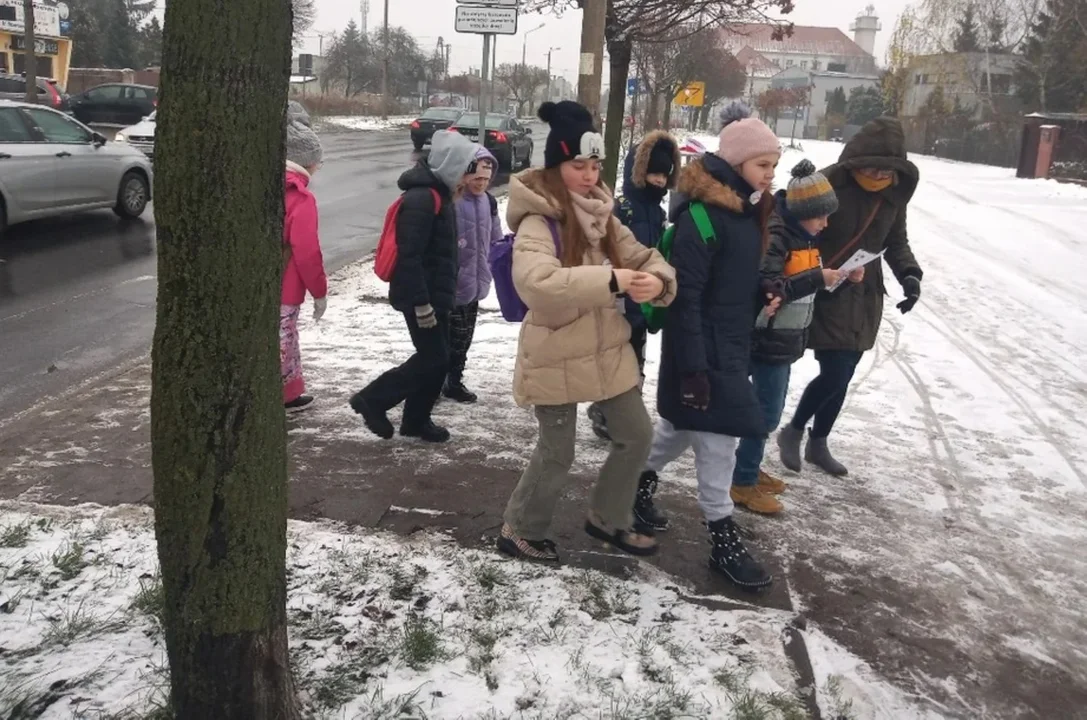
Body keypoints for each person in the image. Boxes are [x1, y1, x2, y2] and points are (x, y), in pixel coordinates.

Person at [497, 101, 677, 564]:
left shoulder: (603, 216)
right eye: (578, 165)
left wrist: (657, 280)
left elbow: (644, 257)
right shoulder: (539, 221)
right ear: (556, 166)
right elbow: (537, 283)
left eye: (595, 165)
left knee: (637, 436)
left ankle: (607, 516)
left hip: (606, 350)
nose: (589, 174)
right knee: (558, 453)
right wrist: (612, 281)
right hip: (555, 351)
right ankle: (520, 529)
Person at [640, 102, 781, 590]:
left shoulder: (744, 211)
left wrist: (763, 286)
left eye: (773, 166)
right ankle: (723, 539)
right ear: (738, 162)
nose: (770, 175)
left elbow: (733, 279)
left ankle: (632, 486)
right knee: (719, 445)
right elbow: (687, 302)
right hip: (702, 355)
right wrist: (695, 370)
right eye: (764, 164)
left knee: (676, 432)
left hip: (728, 348)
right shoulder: (703, 216)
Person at [778, 117, 923, 477]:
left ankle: (818, 441)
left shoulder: (894, 194)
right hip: (827, 285)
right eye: (873, 167)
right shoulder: (828, 185)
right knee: (836, 371)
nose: (879, 176)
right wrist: (814, 271)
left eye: (888, 170)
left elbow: (896, 241)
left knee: (846, 371)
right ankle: (793, 430)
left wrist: (910, 275)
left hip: (866, 289)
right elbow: (794, 229)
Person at [731, 159, 855, 515]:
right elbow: (772, 288)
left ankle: (748, 468)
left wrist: (839, 278)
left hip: (784, 342)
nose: (826, 224)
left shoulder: (804, 237)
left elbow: (802, 287)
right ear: (803, 212)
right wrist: (819, 278)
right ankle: (741, 481)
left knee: (766, 411)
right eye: (821, 217)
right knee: (766, 415)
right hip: (767, 342)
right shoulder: (780, 238)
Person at [349, 129, 479, 443]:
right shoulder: (423, 198)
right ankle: (373, 399)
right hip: (422, 296)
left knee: (439, 358)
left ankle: (416, 421)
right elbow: (410, 257)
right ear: (450, 165)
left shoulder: (440, 194)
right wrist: (422, 304)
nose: (468, 174)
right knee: (433, 357)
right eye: (465, 167)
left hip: (436, 294)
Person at [587, 130, 679, 440]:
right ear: (639, 172)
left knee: (636, 357)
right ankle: (605, 410)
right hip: (621, 297)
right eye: (653, 173)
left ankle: (625, 411)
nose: (659, 181)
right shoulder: (622, 207)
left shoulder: (658, 211)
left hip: (645, 295)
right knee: (616, 358)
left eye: (664, 176)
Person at [444, 147, 502, 404]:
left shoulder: (489, 202)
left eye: (486, 179)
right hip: (452, 283)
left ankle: (454, 381)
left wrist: (501, 258)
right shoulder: (452, 202)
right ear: (464, 175)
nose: (481, 183)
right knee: (447, 339)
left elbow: (496, 238)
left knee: (464, 338)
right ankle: (436, 382)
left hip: (477, 281)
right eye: (476, 178)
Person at [282, 101, 328, 412]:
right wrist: (319, 291)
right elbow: (307, 251)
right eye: (317, 163)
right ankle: (283, 395)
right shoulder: (300, 198)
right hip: (286, 287)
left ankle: (290, 393)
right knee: (283, 339)